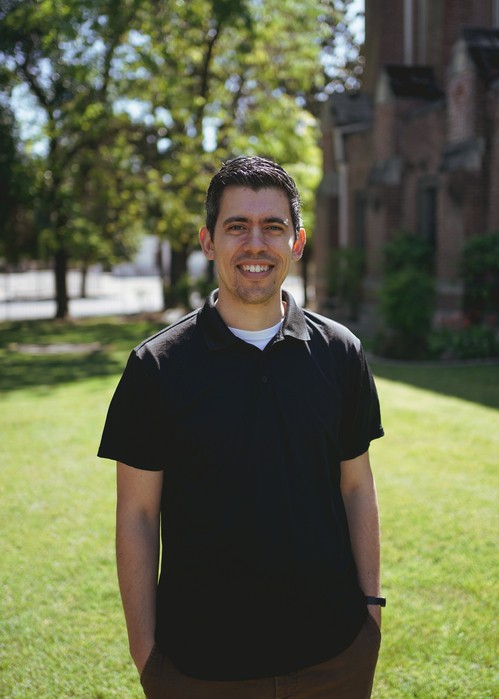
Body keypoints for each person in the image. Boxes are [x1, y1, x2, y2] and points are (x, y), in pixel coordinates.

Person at [98, 156, 385, 699]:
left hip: (335, 657)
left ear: (297, 242)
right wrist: (146, 652)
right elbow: (137, 514)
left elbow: (356, 487)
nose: (256, 244)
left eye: (273, 226)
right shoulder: (156, 368)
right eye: (237, 226)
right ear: (208, 241)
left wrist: (370, 613)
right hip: (200, 668)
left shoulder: (341, 353)